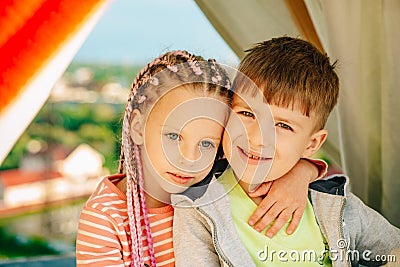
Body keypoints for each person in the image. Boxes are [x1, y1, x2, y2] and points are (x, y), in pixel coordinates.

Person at [75, 50, 325, 267]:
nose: (189, 158)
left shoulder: (218, 183)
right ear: (138, 127)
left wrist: (301, 172)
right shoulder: (106, 218)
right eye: (173, 136)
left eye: (206, 143)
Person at [172, 37, 400, 267]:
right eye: (247, 114)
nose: (257, 137)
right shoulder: (197, 206)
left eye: (283, 126)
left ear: (312, 144)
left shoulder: (333, 203)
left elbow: (393, 248)